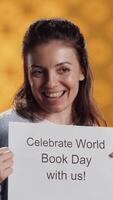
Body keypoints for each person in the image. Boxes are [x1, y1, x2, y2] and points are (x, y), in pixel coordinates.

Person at [0, 18, 106, 200]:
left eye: (63, 69)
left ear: (82, 71)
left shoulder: (96, 141)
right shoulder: (4, 128)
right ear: (27, 74)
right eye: (38, 72)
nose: (51, 83)